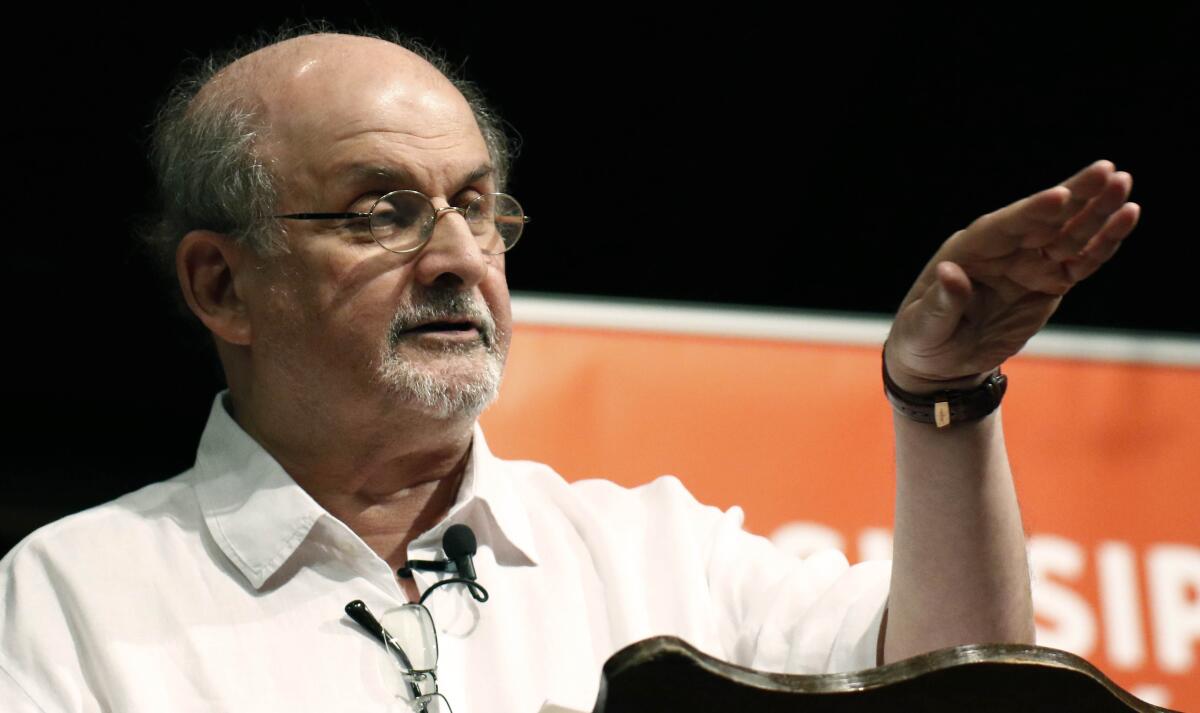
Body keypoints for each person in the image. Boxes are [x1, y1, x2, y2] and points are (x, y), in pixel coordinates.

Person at [0, 29, 1139, 713]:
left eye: (477, 206)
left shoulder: (663, 553)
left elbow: (957, 691)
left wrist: (944, 397)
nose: (455, 256)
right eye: (383, 211)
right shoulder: (74, 596)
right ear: (220, 285)